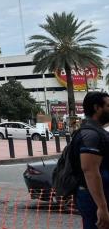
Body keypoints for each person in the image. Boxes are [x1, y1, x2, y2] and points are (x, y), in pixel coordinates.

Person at [72, 91, 109, 229]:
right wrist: (102, 207)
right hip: (93, 198)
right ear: (97, 108)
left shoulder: (96, 132)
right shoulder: (91, 135)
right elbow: (90, 171)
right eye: (108, 106)